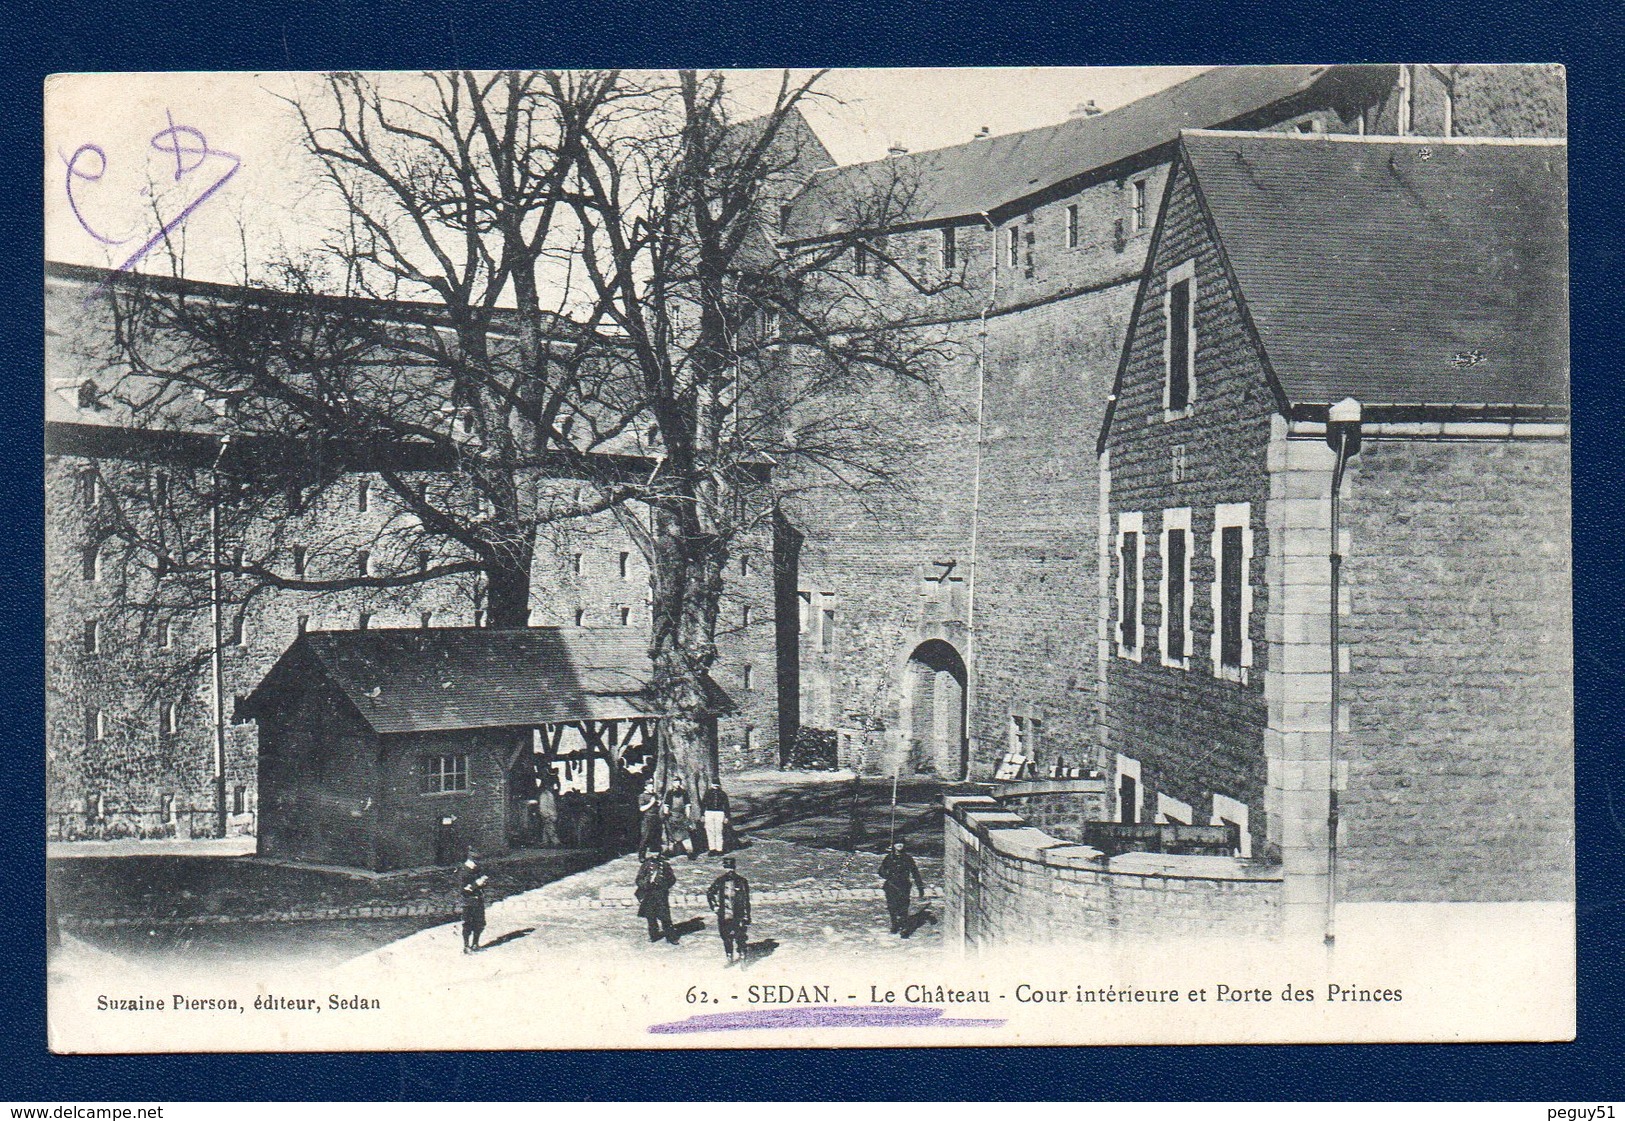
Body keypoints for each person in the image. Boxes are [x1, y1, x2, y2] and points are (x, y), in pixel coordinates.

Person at [706, 856, 752, 964]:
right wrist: (716, 907)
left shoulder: (741, 881)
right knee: (726, 936)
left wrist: (746, 915)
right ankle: (730, 956)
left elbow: (745, 899)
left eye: (730, 868)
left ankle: (741, 955)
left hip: (737, 914)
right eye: (727, 868)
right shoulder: (721, 881)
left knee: (739, 935)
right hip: (725, 914)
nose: (729, 870)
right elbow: (710, 893)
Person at [879, 840, 926, 935]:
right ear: (893, 845)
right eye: (897, 843)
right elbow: (880, 872)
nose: (899, 845)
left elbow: (915, 872)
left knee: (904, 907)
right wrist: (887, 873)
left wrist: (920, 887)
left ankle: (904, 928)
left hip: (904, 886)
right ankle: (895, 925)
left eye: (901, 843)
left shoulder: (908, 858)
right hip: (891, 886)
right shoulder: (889, 858)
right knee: (892, 906)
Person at [635, 851, 678, 944]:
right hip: (649, 893)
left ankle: (671, 937)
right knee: (651, 917)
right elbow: (638, 879)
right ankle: (653, 935)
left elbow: (672, 879)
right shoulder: (645, 865)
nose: (654, 855)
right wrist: (645, 884)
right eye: (652, 853)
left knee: (665, 916)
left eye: (656, 853)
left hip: (661, 893)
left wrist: (665, 886)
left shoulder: (665, 865)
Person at [460, 849, 490, 953]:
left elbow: (480, 883)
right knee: (468, 924)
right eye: (475, 861)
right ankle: (466, 946)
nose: (477, 864)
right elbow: (464, 890)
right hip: (468, 901)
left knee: (480, 923)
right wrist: (477, 883)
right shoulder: (464, 871)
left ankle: (475, 944)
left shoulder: (476, 869)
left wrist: (484, 882)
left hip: (478, 900)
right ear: (470, 860)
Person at [664, 783, 698, 861]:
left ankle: (690, 852)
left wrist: (688, 817)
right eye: (675, 783)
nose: (677, 784)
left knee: (685, 836)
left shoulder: (684, 793)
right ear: (673, 784)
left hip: (682, 817)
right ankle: (670, 851)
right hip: (672, 817)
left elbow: (687, 806)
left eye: (678, 783)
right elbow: (666, 805)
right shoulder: (669, 793)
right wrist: (666, 815)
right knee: (671, 836)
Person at [700, 781, 731, 854]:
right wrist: (702, 815)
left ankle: (719, 849)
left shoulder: (722, 794)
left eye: (717, 786)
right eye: (714, 785)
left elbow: (726, 805)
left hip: (719, 813)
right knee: (710, 831)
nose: (715, 787)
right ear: (711, 785)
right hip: (709, 813)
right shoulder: (707, 793)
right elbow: (703, 804)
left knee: (719, 831)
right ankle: (712, 849)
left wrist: (727, 816)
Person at [637, 780, 662, 860]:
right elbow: (642, 809)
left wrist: (658, 803)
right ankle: (641, 856)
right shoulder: (642, 796)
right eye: (650, 787)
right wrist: (651, 803)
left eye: (652, 786)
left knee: (656, 837)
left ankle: (657, 855)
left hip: (656, 817)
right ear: (646, 787)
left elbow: (657, 805)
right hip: (647, 818)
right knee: (645, 837)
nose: (652, 788)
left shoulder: (654, 795)